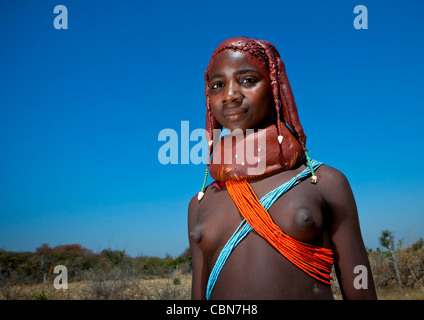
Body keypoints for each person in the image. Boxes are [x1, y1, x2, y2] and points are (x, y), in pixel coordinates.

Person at [188, 37, 377, 300]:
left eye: (248, 80)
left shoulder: (323, 181)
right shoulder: (200, 202)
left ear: (275, 89)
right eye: (217, 85)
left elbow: (359, 282)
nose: (230, 95)